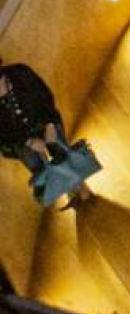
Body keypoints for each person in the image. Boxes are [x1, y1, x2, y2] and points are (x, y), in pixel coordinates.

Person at [0, 60, 95, 210]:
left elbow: (45, 95)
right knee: (41, 170)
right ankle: (69, 191)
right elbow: (2, 134)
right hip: (20, 140)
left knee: (63, 154)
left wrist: (50, 125)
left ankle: (82, 188)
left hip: (44, 120)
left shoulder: (20, 72)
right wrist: (29, 141)